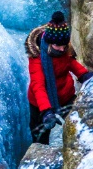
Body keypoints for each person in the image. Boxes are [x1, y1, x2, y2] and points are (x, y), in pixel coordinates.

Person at [26, 11, 93, 144]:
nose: (62, 49)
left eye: (64, 46)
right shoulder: (37, 59)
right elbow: (38, 86)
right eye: (58, 46)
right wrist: (46, 110)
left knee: (80, 122)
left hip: (65, 95)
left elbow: (71, 63)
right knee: (40, 133)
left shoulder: (63, 48)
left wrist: (84, 75)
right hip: (40, 103)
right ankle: (40, 152)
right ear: (49, 42)